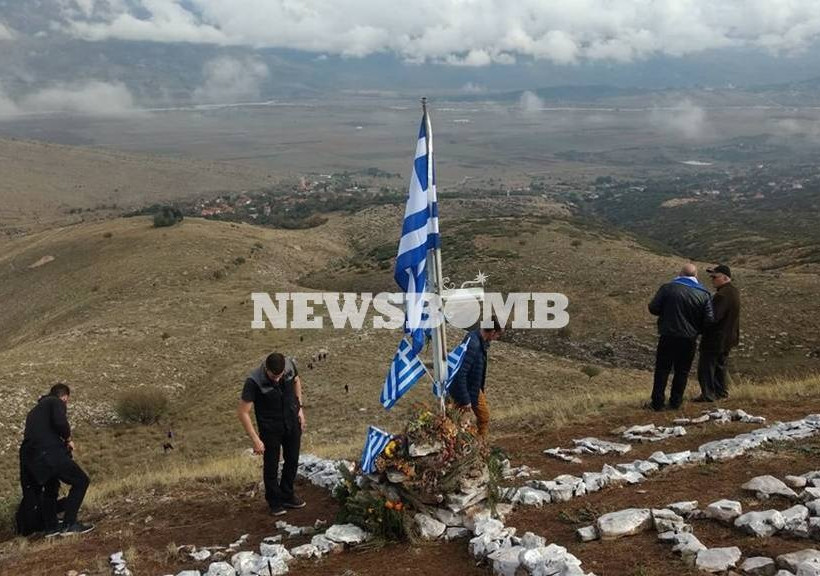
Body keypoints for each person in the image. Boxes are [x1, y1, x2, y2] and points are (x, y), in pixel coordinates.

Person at [18, 383, 92, 536]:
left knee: (51, 486)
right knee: (81, 481)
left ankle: (51, 527)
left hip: (30, 457)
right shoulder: (55, 402)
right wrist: (68, 439)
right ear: (64, 397)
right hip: (48, 452)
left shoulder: (33, 411)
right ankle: (69, 524)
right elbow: (60, 423)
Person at [238, 353, 306, 516]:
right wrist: (255, 439)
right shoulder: (253, 381)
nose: (277, 379)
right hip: (270, 428)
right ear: (266, 369)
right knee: (271, 465)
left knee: (292, 459)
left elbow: (296, 381)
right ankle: (275, 502)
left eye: (280, 375)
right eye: (273, 376)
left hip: (291, 421)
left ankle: (288, 494)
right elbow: (243, 412)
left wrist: (300, 408)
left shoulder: (289, 365)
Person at [647, 264, 714, 411]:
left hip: (668, 335)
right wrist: (697, 330)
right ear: (696, 276)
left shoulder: (667, 288)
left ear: (680, 273)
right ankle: (675, 402)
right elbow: (709, 319)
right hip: (689, 339)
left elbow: (653, 308)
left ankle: (657, 403)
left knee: (662, 369)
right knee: (682, 371)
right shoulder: (704, 294)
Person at [449, 316, 505, 438]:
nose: (497, 338)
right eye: (497, 335)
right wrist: (466, 400)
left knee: (484, 417)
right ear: (493, 332)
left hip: (474, 387)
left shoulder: (480, 341)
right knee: (455, 423)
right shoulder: (473, 344)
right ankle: (472, 446)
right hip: (464, 389)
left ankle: (480, 444)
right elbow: (461, 373)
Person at [696, 264, 741, 402]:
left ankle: (708, 394)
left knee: (706, 366)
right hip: (728, 338)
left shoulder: (722, 295)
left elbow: (713, 318)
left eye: (715, 277)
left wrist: (700, 324)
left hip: (716, 338)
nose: (712, 279)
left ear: (725, 278)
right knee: (719, 367)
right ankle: (720, 392)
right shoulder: (733, 292)